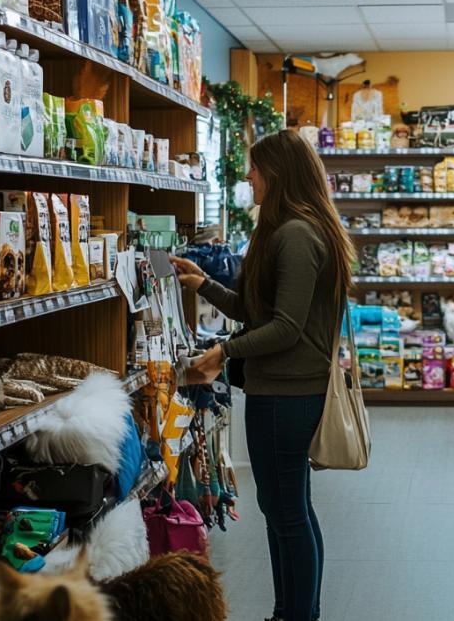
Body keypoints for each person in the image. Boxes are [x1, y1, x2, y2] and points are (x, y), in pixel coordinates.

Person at [171, 130, 355, 621]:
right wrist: (203, 284)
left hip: (288, 395)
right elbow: (260, 313)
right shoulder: (294, 228)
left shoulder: (296, 234)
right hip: (285, 391)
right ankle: (293, 611)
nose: (248, 176)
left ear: (277, 173)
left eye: (255, 168)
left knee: (287, 514)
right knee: (289, 511)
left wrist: (221, 354)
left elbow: (285, 328)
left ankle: (296, 614)